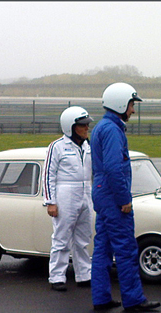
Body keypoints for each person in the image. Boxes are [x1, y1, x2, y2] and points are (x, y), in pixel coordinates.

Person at [89, 82, 161, 313]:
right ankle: (133, 299)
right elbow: (113, 168)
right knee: (126, 248)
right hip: (112, 196)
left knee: (102, 248)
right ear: (121, 103)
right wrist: (124, 200)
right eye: (131, 104)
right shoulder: (112, 130)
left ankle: (100, 297)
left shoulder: (103, 127)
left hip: (102, 193)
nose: (133, 110)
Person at [43, 106, 94, 291]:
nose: (86, 128)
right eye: (82, 125)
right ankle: (57, 276)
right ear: (70, 127)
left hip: (85, 192)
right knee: (61, 238)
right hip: (65, 193)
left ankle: (84, 274)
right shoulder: (57, 146)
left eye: (87, 124)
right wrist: (51, 202)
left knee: (83, 237)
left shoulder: (89, 146)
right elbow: (48, 174)